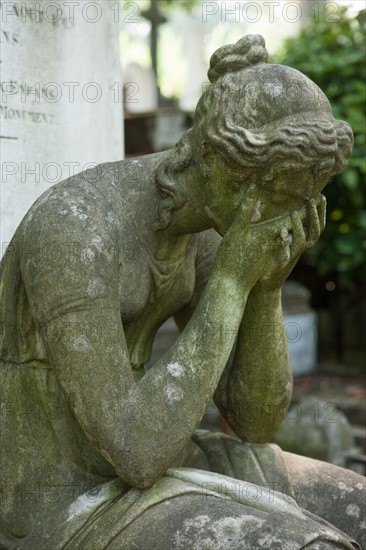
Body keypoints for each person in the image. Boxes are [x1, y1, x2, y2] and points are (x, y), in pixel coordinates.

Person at [1, 35, 363, 549]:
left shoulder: (208, 230)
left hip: (163, 455)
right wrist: (233, 281)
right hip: (61, 495)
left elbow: (255, 421)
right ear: (220, 166)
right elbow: (137, 454)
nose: (288, 220)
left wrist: (265, 288)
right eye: (283, 197)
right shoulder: (75, 231)